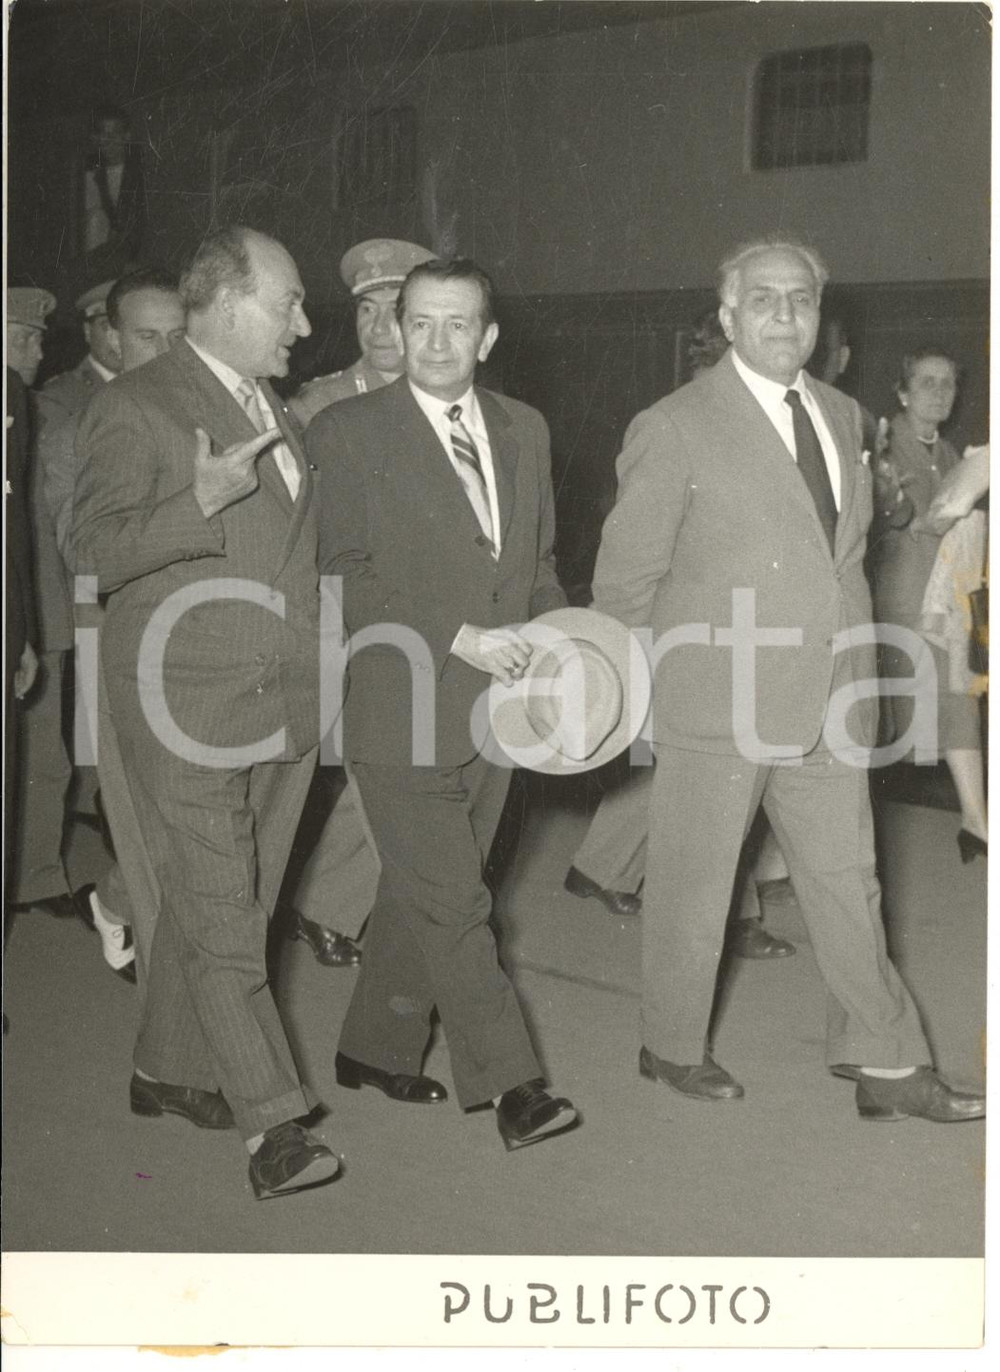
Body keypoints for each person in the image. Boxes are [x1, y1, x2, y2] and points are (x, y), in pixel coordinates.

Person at [590, 236, 984, 1123]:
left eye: (800, 300)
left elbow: (840, 555)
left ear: (820, 316)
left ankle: (885, 1062)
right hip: (715, 694)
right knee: (696, 882)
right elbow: (625, 582)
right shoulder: (674, 424)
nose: (783, 315)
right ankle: (671, 1043)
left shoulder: (845, 415)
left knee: (851, 878)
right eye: (761, 300)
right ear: (727, 317)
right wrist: (631, 697)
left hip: (828, 694)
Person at [71, 226, 340, 1199]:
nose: (305, 325)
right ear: (227, 302)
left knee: (243, 902)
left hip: (282, 697)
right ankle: (274, 1127)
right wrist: (196, 502)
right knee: (225, 909)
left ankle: (168, 1068)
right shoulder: (137, 405)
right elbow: (90, 550)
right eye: (290, 303)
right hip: (182, 699)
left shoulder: (275, 407)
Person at [309, 257, 579, 1151]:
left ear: (487, 337)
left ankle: (374, 1047)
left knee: (425, 888)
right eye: (416, 320)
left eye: (454, 324)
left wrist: (555, 656)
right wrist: (456, 635)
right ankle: (513, 1084)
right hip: (402, 696)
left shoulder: (525, 428)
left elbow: (534, 563)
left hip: (499, 706)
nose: (431, 340)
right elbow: (342, 572)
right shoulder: (347, 431)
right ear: (392, 326)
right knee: (459, 900)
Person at [565, 307, 797, 960]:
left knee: (699, 773)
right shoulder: (678, 424)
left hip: (745, 629)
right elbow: (633, 546)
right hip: (688, 634)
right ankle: (734, 917)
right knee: (723, 781)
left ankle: (599, 867)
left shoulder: (768, 423)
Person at [285, 238, 435, 969]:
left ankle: (329, 904)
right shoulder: (315, 407)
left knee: (394, 764)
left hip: (414, 619)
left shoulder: (445, 403)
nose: (381, 329)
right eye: (367, 311)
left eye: (396, 312)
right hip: (331, 615)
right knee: (293, 770)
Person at [54, 268, 189, 985]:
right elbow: (81, 548)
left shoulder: (196, 403)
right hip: (118, 630)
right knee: (153, 810)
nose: (165, 350)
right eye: (146, 336)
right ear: (109, 334)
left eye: (178, 335)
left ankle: (122, 902)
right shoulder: (92, 418)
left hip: (194, 628)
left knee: (180, 809)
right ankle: (118, 903)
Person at [870, 349, 988, 857]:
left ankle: (976, 821)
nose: (940, 392)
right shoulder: (885, 445)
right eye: (926, 382)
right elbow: (893, 516)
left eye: (948, 384)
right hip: (901, 599)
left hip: (943, 598)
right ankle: (778, 856)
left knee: (958, 702)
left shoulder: (948, 450)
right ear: (902, 392)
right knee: (876, 730)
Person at [6, 287, 91, 926]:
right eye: (21, 339)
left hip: (37, 607)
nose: (35, 353)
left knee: (42, 755)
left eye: (36, 340)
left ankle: (34, 874)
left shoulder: (40, 415)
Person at [36, 279, 121, 559]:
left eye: (123, 327)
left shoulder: (154, 389)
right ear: (87, 332)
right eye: (107, 327)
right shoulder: (61, 398)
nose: (117, 339)